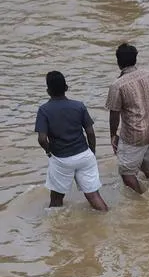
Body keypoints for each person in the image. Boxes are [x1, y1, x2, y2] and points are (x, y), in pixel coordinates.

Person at [35, 72, 108, 212]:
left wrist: (49, 151)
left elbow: (42, 139)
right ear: (66, 87)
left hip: (61, 159)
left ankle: (56, 231)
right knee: (93, 196)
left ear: (48, 91)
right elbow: (91, 133)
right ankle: (107, 219)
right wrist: (91, 152)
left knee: (56, 201)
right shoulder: (79, 106)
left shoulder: (44, 110)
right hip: (84, 155)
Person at [106, 44, 149, 194]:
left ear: (118, 62)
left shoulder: (117, 85)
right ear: (135, 59)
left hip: (134, 136)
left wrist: (113, 135)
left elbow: (114, 113)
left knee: (127, 174)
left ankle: (144, 200)